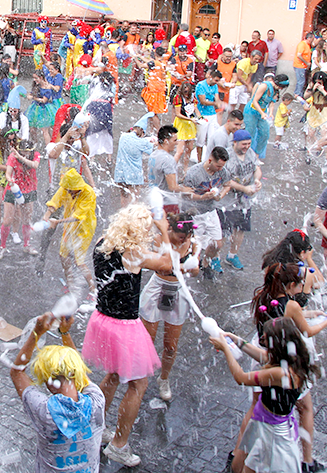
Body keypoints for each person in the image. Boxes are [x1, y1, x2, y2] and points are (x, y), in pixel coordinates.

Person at [83, 205, 171, 467]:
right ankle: (119, 445)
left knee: (113, 375)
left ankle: (94, 426)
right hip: (124, 327)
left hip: (102, 321)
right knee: (138, 384)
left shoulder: (102, 242)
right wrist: (165, 232)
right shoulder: (133, 255)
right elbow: (167, 264)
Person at [212, 318, 318, 473]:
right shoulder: (290, 360)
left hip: (272, 433)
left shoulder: (280, 373)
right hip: (262, 422)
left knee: (246, 468)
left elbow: (241, 378)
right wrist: (237, 341)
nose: (261, 340)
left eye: (265, 338)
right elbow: (262, 356)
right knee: (237, 465)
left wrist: (226, 349)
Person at [9, 313, 106, 473]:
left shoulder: (44, 412)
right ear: (75, 372)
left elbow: (17, 373)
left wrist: (36, 333)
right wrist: (65, 333)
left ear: (48, 382)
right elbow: (80, 375)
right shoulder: (96, 402)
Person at [139, 214, 199, 401]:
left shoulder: (193, 243)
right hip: (157, 287)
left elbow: (196, 270)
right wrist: (183, 267)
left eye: (186, 236)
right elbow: (162, 268)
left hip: (178, 291)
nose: (183, 239)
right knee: (148, 340)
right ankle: (140, 377)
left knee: (171, 345)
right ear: (170, 229)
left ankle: (163, 378)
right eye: (180, 236)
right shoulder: (159, 239)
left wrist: (184, 265)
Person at [39, 169, 98, 300]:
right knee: (63, 255)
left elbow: (78, 217)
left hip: (84, 229)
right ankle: (70, 285)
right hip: (69, 227)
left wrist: (57, 221)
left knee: (79, 261)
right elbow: (55, 202)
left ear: (77, 187)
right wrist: (47, 215)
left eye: (71, 190)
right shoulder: (66, 188)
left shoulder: (88, 193)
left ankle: (93, 288)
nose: (69, 192)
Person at [181, 146, 232, 278]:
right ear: (210, 160)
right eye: (218, 166)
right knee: (194, 245)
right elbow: (186, 194)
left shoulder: (222, 171)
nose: (220, 170)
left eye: (222, 166)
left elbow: (227, 184)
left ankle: (206, 263)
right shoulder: (194, 173)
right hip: (194, 213)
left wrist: (220, 195)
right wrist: (202, 197)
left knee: (217, 243)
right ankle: (193, 267)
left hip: (210, 210)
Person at [220, 131, 262, 271]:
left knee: (240, 229)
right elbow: (226, 181)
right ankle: (213, 258)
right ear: (235, 142)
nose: (246, 147)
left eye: (249, 144)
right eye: (244, 144)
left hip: (244, 202)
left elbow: (257, 169)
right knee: (223, 232)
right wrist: (244, 188)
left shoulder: (250, 153)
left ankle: (232, 255)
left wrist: (256, 180)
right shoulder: (227, 156)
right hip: (227, 201)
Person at [113, 113, 155, 207]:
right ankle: (131, 217)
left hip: (121, 173)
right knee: (134, 199)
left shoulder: (123, 136)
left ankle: (123, 216)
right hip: (134, 175)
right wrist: (153, 141)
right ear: (142, 132)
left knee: (124, 197)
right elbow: (152, 149)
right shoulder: (141, 142)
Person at [243, 72, 288, 160]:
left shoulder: (275, 90)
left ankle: (256, 155)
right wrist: (262, 113)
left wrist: (270, 113)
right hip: (251, 111)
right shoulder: (264, 86)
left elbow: (272, 102)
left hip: (262, 113)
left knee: (265, 133)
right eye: (281, 86)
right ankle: (247, 155)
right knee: (250, 133)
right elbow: (254, 101)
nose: (281, 88)